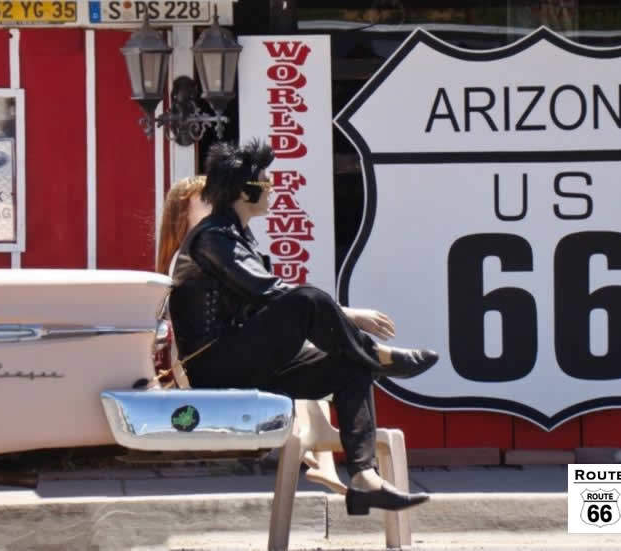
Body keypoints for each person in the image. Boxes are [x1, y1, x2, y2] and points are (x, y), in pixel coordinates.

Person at [169, 139, 438, 514]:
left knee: (351, 366)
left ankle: (364, 478)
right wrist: (350, 315)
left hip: (249, 362)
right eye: (265, 181)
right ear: (244, 191)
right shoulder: (213, 238)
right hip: (217, 365)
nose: (272, 188)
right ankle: (376, 354)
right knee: (305, 299)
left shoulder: (237, 236)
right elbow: (269, 292)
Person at [155, 174, 349, 494]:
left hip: (221, 355)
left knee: (302, 349)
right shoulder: (195, 253)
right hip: (199, 363)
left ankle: (317, 451)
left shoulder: (222, 247)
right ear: (182, 215)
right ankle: (315, 451)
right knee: (293, 349)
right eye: (207, 203)